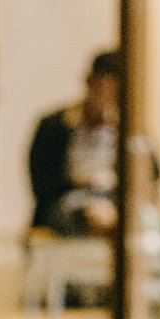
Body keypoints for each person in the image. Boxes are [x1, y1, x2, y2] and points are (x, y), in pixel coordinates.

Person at [28, 49, 126, 238]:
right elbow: (41, 183)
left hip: (116, 201)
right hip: (70, 201)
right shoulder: (55, 125)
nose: (108, 101)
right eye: (104, 91)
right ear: (90, 83)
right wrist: (79, 180)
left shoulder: (126, 129)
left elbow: (152, 175)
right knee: (90, 211)